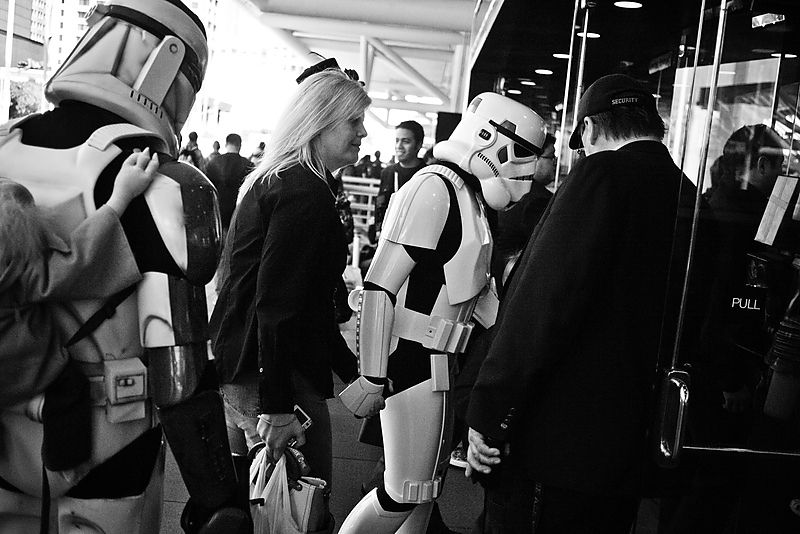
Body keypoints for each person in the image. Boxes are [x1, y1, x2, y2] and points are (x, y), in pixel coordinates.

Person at [0, 2, 250, 532]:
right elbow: (177, 365)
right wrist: (216, 494)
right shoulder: (166, 185)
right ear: (169, 65)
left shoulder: (5, 144)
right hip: (111, 444)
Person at [465, 74, 704, 533]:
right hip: (627, 446)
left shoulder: (602, 174)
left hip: (557, 440)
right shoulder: (686, 193)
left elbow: (544, 303)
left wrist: (491, 411)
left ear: (589, 129)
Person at [338, 92, 547, 533]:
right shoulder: (434, 189)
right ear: (488, 138)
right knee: (403, 490)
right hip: (412, 361)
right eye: (521, 154)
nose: (527, 171)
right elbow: (378, 287)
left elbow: (478, 297)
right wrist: (372, 376)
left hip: (441, 361)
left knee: (423, 491)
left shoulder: (469, 199)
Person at [208, 69, 368, 522]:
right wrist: (278, 409)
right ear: (320, 122)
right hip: (275, 381)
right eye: (353, 121)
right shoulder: (304, 190)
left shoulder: (279, 179)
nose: (362, 133)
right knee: (300, 514)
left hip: (245, 369)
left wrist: (350, 372)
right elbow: (278, 305)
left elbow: (294, 297)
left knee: (255, 510)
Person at [374, 120, 427, 235]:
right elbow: (380, 205)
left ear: (419, 145)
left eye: (406, 141)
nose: (399, 146)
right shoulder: (388, 172)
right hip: (389, 234)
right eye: (397, 140)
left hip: (417, 235)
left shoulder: (428, 175)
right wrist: (378, 231)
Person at [205, 133, 254, 235]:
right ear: (240, 146)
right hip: (238, 213)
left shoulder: (213, 163)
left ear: (226, 144)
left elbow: (207, 189)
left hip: (218, 210)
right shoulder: (249, 166)